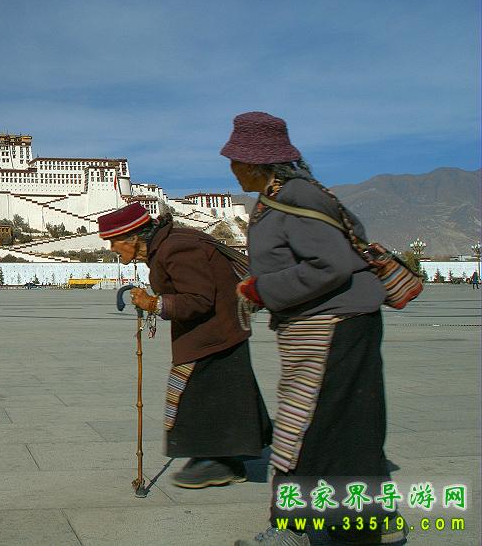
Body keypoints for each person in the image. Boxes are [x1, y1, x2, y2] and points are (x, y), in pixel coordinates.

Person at [222, 112, 404, 546]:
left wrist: (261, 288)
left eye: (236, 160)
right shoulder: (281, 196)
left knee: (307, 427)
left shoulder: (297, 195)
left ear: (257, 162)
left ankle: (295, 529)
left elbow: (331, 265)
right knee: (346, 425)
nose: (231, 169)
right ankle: (379, 523)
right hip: (333, 325)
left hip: (335, 327)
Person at [98, 202, 272, 489]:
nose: (112, 249)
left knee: (198, 398)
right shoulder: (167, 245)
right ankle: (227, 460)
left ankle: (214, 462)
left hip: (216, 334)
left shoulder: (175, 248)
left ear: (133, 238)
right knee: (223, 397)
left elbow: (199, 299)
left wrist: (155, 304)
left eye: (113, 242)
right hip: (217, 331)